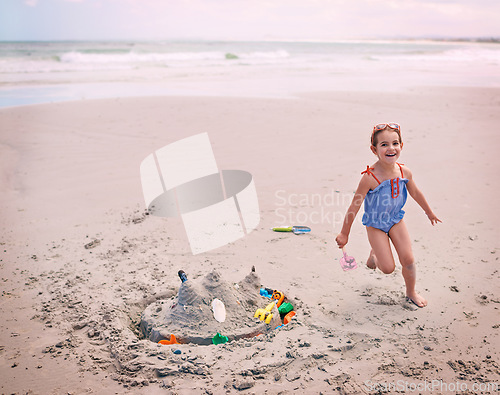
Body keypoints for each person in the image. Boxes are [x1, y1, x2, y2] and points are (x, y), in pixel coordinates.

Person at [335, 123, 441, 307]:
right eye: (384, 144)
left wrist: (429, 212)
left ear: (401, 145)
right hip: (375, 224)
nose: (391, 148)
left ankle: (411, 292)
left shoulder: (404, 172)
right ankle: (375, 254)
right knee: (387, 268)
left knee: (408, 260)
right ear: (374, 149)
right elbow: (354, 206)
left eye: (395, 143)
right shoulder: (369, 177)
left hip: (395, 220)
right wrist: (345, 233)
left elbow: (415, 193)